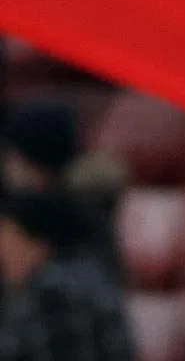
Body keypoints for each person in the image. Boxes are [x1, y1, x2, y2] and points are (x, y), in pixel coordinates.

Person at [0, 190, 135, 361]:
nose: (3, 255)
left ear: (38, 244)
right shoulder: (84, 277)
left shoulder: (56, 295)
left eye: (7, 242)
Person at [1, 101, 125, 283]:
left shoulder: (67, 219)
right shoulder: (89, 210)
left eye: (14, 156)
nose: (7, 165)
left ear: (34, 162)